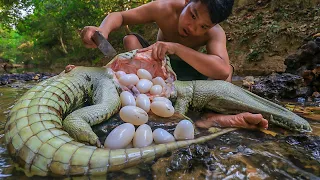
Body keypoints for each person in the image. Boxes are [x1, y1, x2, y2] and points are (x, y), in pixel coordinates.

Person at [81, 0, 268, 130]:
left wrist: (176, 48)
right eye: (193, 15)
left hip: (187, 75)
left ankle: (211, 117)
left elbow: (222, 69)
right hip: (156, 70)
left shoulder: (215, 33)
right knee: (130, 40)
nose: (193, 28)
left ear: (213, 25)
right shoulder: (165, 7)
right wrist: (102, 30)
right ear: (187, 1)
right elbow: (120, 16)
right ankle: (142, 101)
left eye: (204, 26)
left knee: (227, 72)